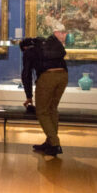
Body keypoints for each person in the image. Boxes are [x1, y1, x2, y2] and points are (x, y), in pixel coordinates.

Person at [20, 24, 68, 157]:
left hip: (48, 77)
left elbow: (26, 75)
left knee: (41, 112)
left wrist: (29, 96)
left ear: (24, 48)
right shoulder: (48, 44)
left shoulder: (29, 51)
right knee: (52, 109)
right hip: (63, 75)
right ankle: (50, 142)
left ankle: (55, 144)